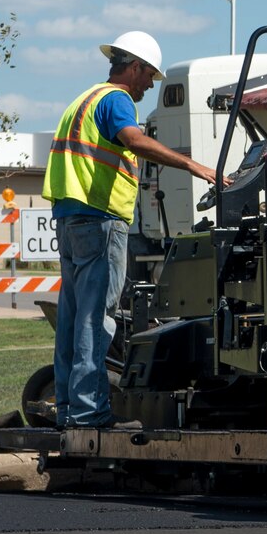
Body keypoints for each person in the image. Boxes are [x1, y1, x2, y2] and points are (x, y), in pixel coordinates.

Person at [43, 31, 217, 429]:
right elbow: (133, 140)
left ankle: (70, 409)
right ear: (134, 67)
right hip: (100, 218)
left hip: (71, 217)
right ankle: (89, 413)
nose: (150, 86)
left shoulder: (82, 99)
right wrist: (194, 166)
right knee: (95, 318)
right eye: (149, 76)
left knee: (72, 317)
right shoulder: (116, 99)